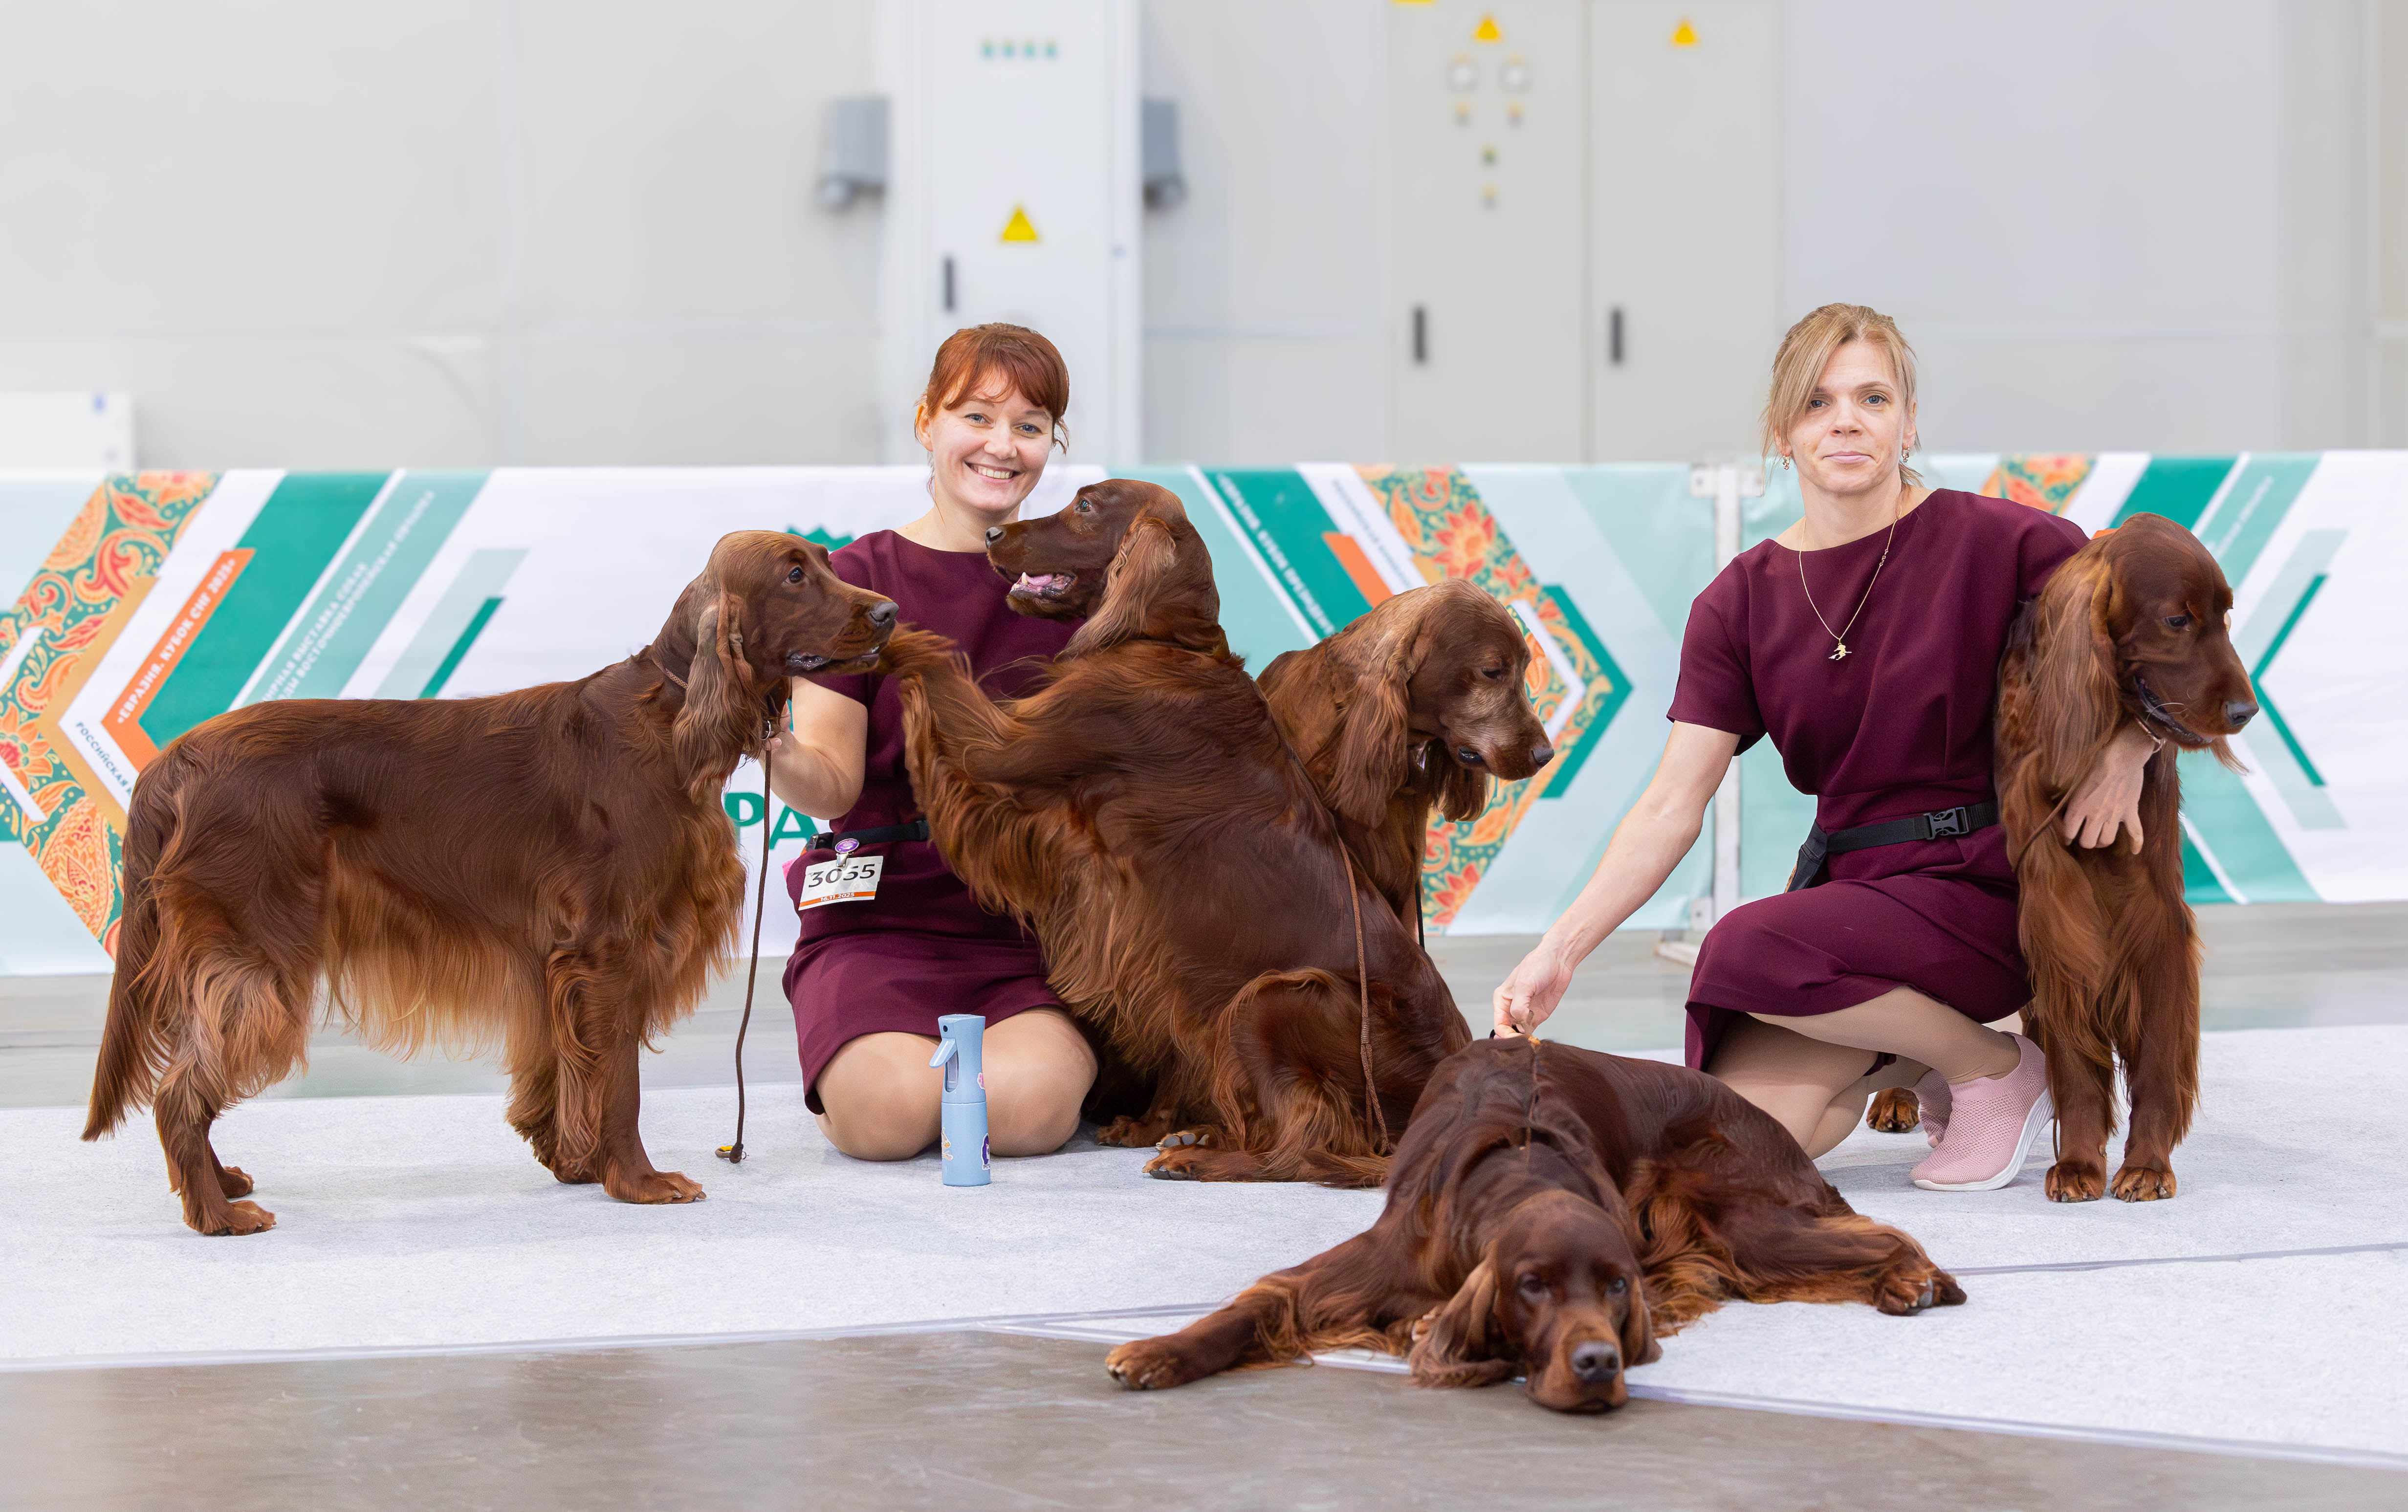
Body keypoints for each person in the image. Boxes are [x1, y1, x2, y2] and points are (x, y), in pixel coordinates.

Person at [1491, 304, 2155, 1191]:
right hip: (1850, 904)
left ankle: (1991, 1065)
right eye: (1817, 402)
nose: (1845, 420)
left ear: (1907, 423)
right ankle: (1922, 1052)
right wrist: (1560, 949)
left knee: (1742, 947)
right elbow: (1669, 805)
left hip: (1990, 881)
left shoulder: (2006, 541)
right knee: (1727, 1147)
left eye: (1872, 398)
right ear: (1782, 433)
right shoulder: (1738, 601)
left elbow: (2173, 637)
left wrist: (2130, 746)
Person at [768, 323, 1097, 1161]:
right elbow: (832, 782)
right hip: (876, 920)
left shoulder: (1080, 593)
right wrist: (772, 745)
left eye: (1029, 426)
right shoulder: (855, 581)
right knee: (884, 1117)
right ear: (926, 422)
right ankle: (870, 1063)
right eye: (976, 416)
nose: (1002, 445)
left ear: (1050, 443)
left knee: (1033, 1113)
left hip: (1025, 928)